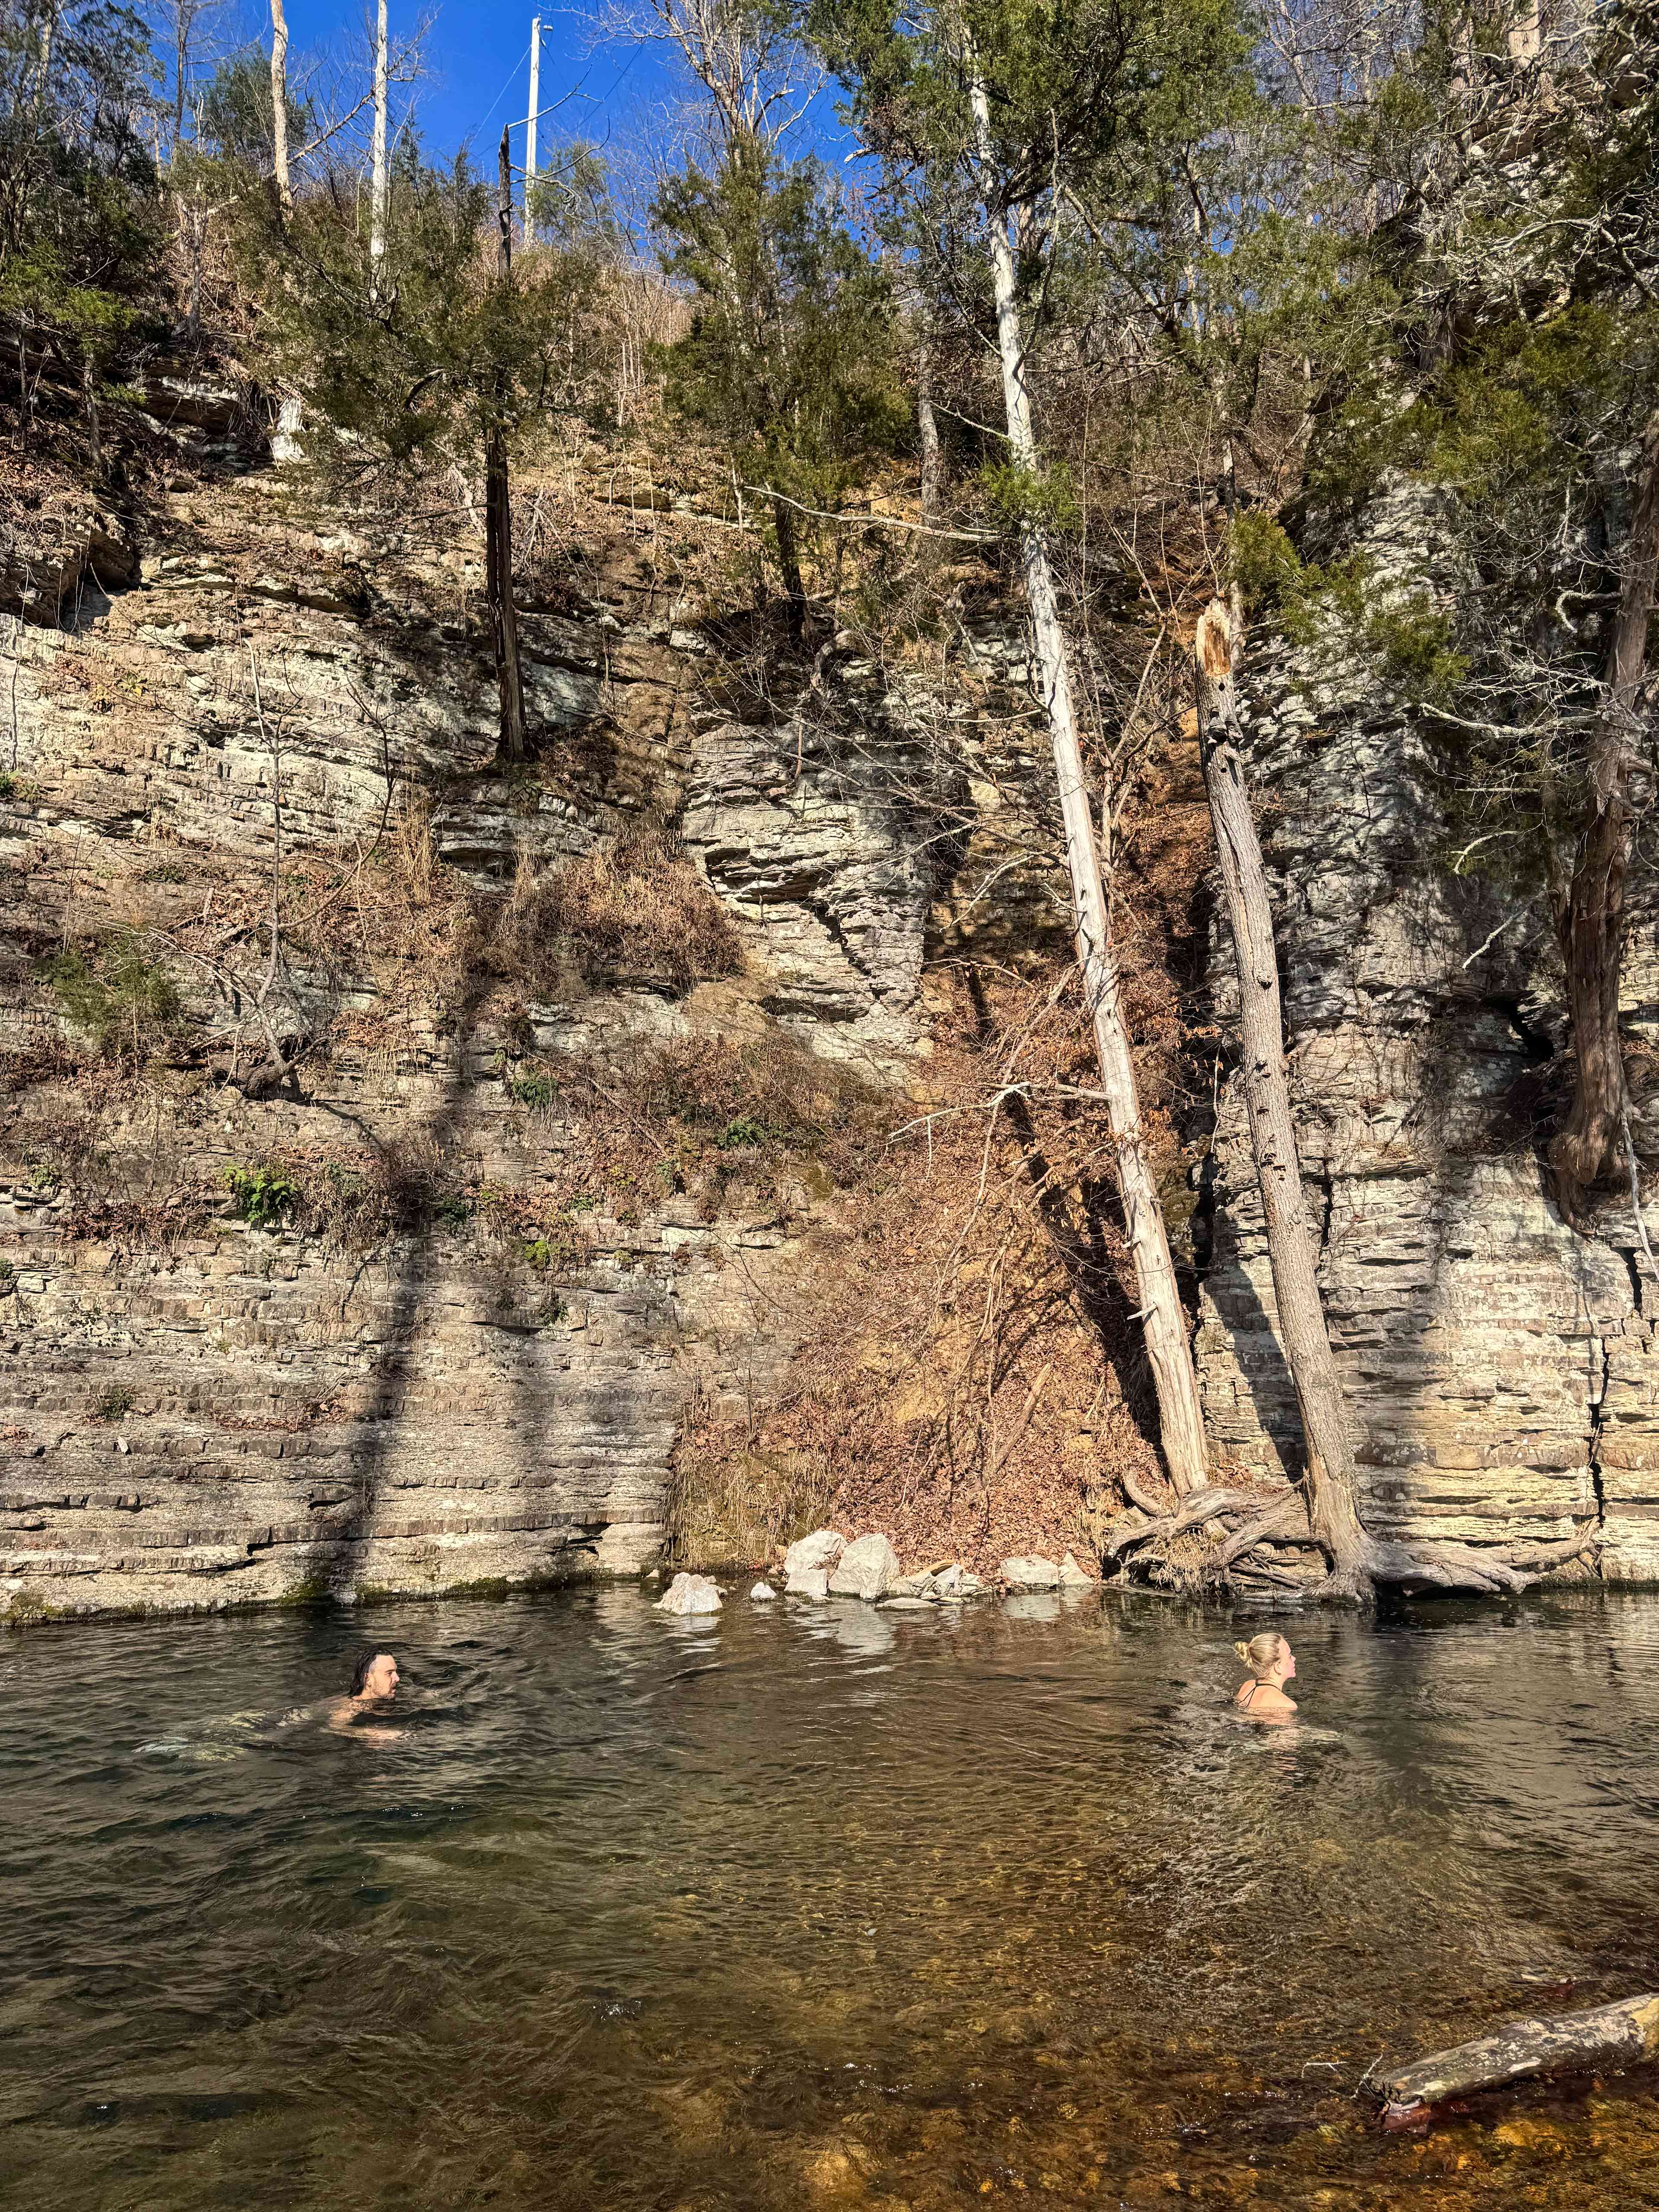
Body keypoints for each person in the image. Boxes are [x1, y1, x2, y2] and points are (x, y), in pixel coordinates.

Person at [328, 1647, 403, 1738]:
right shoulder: (352, 1707)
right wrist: (376, 1734)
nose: (397, 1678)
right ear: (368, 1679)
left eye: (396, 1672)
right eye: (389, 1674)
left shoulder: (389, 1697)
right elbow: (335, 1727)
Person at [1233, 1631, 1297, 1722]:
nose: (1294, 1659)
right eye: (1290, 1656)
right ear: (1278, 1667)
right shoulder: (1286, 1705)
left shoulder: (1248, 1686)